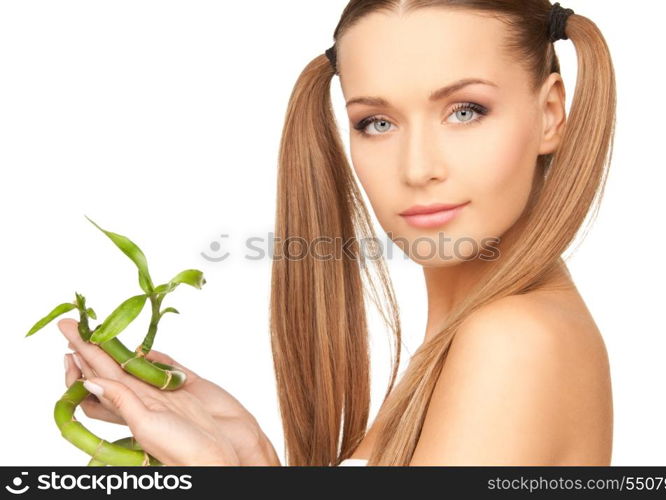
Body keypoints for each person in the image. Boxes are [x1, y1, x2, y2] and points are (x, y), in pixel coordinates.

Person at [60, 0, 616, 466]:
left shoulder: (514, 339)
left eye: (465, 111)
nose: (417, 168)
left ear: (549, 114)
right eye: (377, 123)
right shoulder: (472, 338)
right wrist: (249, 455)